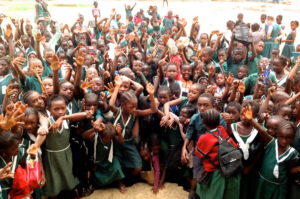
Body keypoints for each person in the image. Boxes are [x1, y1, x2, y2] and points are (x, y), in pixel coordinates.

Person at [195, 109, 240, 199]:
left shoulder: (204, 138)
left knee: (211, 195)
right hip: (229, 168)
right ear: (219, 121)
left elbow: (199, 154)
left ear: (204, 122)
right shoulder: (221, 129)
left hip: (214, 173)